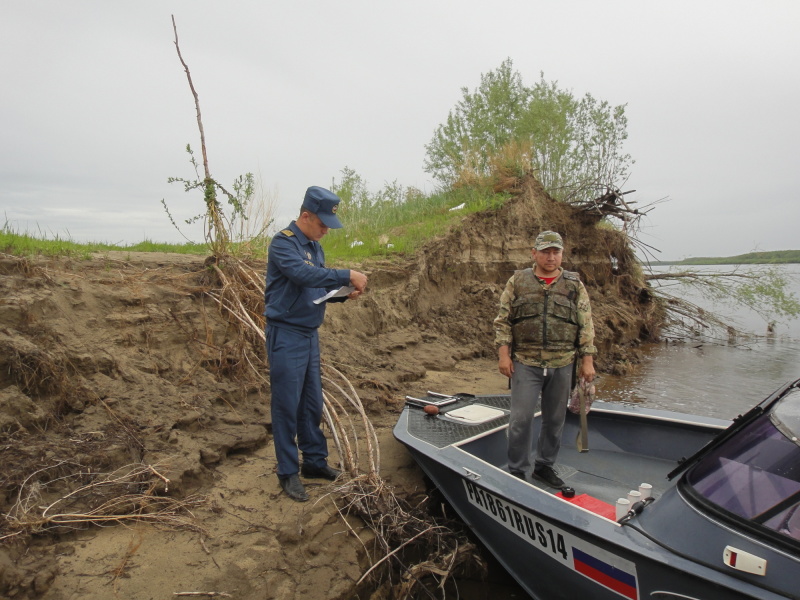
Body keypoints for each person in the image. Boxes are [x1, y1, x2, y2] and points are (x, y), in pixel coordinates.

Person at [264, 186, 368, 502]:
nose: (325, 230)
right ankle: (287, 471)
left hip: (309, 336)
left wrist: (338, 293)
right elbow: (302, 275)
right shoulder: (283, 243)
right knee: (286, 405)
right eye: (321, 224)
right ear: (305, 216)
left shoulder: (313, 245)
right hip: (286, 335)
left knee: (311, 402)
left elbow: (313, 287)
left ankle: (314, 462)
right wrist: (346, 274)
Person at [493, 231, 596, 489]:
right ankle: (517, 470)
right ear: (534, 253)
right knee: (521, 418)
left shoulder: (574, 285)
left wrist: (587, 361)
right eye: (546, 252)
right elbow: (503, 320)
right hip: (526, 363)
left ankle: (544, 467)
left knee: (555, 420)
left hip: (563, 363)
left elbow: (586, 324)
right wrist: (504, 356)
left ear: (562, 254)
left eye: (556, 252)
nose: (551, 257)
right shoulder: (518, 281)